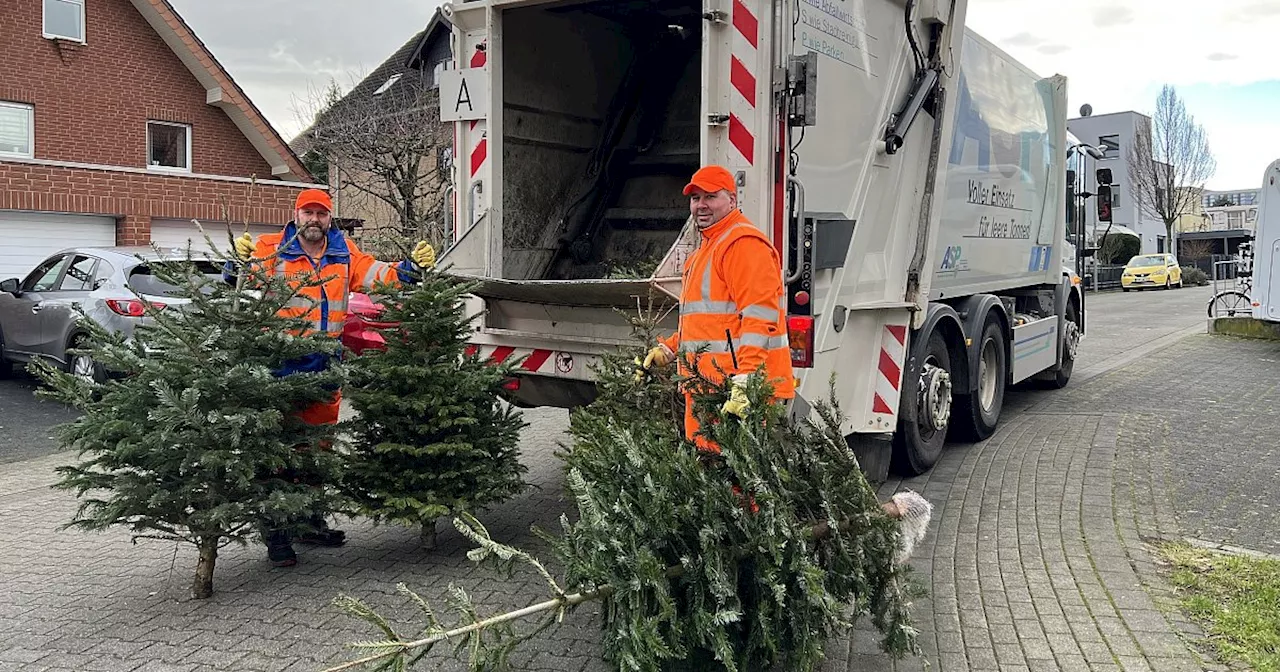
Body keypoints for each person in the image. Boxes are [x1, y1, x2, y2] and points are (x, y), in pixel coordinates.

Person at [227, 188, 436, 567]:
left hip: (324, 366)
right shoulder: (271, 247)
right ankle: (276, 533)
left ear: (329, 217)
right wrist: (234, 261)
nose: (314, 220)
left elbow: (382, 277)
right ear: (296, 214)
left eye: (321, 214)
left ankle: (308, 521)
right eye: (308, 212)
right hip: (279, 366)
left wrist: (411, 268)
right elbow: (239, 278)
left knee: (315, 451)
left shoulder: (344, 253)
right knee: (277, 452)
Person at [635, 165, 795, 453]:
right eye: (696, 198)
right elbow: (708, 322)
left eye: (711, 197)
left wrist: (746, 379)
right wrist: (669, 350)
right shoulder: (707, 248)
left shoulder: (742, 244)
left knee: (738, 479)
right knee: (713, 476)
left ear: (732, 200)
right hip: (708, 386)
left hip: (733, 388)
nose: (701, 205)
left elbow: (760, 316)